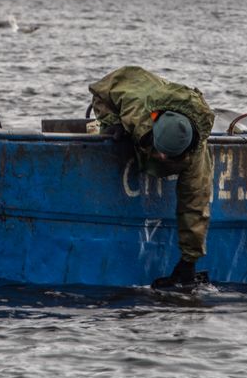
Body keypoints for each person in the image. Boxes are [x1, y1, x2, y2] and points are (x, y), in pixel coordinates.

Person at [89, 66, 215, 289]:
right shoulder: (137, 105)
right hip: (141, 97)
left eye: (169, 156)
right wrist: (111, 122)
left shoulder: (196, 156)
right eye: (159, 151)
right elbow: (100, 91)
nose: (162, 157)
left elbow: (195, 204)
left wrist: (189, 260)